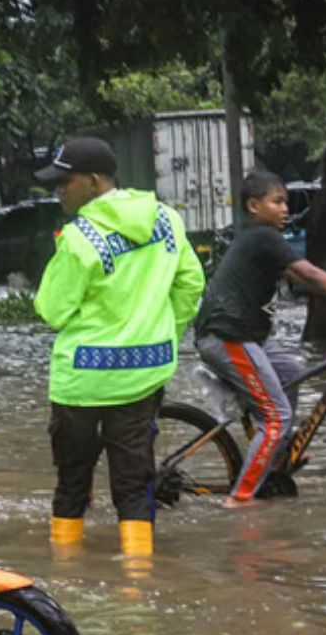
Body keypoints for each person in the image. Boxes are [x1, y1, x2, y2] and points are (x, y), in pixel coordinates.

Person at [32, 136, 206, 557]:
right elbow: (191, 284)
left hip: (81, 382)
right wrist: (162, 332)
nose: (58, 190)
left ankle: (69, 574)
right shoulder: (166, 219)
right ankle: (138, 586)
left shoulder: (78, 238)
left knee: (72, 482)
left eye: (65, 181)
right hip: (143, 376)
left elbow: (53, 310)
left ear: (93, 182)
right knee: (133, 484)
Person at [194, 169, 326, 508]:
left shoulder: (264, 241)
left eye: (286, 201)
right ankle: (240, 500)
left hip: (245, 336)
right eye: (277, 201)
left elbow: (305, 279)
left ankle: (273, 461)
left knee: (291, 371)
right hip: (228, 336)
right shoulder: (263, 237)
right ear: (254, 206)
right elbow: (311, 272)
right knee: (276, 416)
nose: (285, 208)